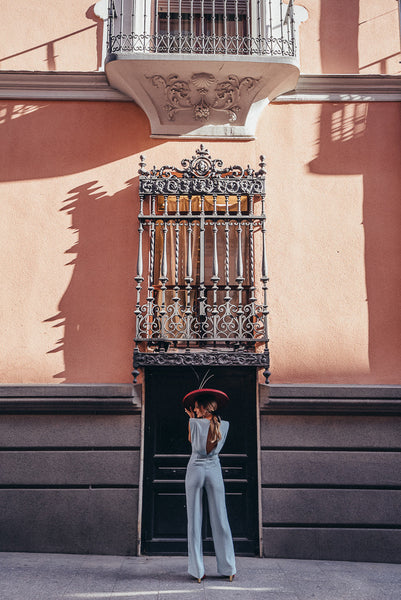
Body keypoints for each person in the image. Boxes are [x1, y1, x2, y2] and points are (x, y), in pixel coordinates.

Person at [183, 388, 236, 583]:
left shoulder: (193, 423)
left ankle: (198, 571)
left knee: (194, 520)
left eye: (197, 408)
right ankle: (229, 568)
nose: (195, 411)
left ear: (205, 408)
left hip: (195, 469)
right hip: (214, 470)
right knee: (221, 518)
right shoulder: (225, 425)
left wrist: (191, 420)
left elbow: (192, 442)